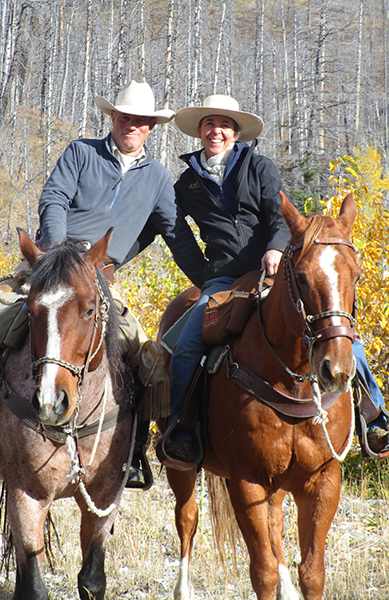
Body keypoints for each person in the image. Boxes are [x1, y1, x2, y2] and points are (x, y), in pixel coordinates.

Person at [158, 94, 388, 466]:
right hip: (224, 280)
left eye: (225, 125)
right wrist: (203, 273)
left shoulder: (259, 167)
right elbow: (174, 231)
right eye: (209, 124)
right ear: (199, 131)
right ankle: (182, 427)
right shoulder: (186, 185)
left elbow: (278, 214)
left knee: (341, 334)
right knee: (186, 345)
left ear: (235, 133)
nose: (216, 130)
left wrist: (277, 249)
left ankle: (374, 417)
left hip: (273, 272)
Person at [37, 80, 207, 486]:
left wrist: (211, 278)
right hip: (55, 265)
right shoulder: (81, 152)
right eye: (124, 117)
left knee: (143, 359)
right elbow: (54, 198)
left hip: (100, 280)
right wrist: (60, 252)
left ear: (151, 127)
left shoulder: (158, 178)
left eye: (140, 121)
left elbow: (176, 234)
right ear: (112, 118)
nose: (131, 125)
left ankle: (131, 453)